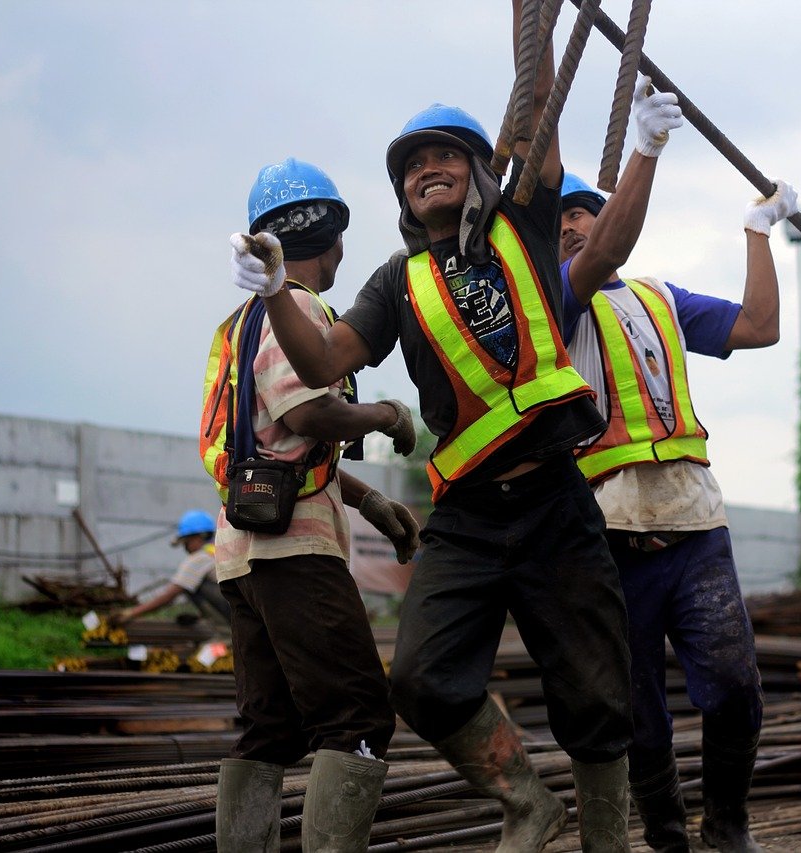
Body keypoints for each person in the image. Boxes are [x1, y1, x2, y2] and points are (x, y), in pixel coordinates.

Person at [228, 6, 634, 850]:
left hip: (556, 501)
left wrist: (537, 22)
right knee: (420, 677)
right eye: (413, 166)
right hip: (471, 518)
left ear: (480, 169)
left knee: (597, 695)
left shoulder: (524, 215)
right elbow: (321, 358)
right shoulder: (392, 280)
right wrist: (272, 288)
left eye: (446, 155)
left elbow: (538, 111)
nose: (428, 171)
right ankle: (526, 800)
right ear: (402, 193)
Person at [555, 97, 797, 851]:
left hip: (694, 520)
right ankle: (666, 832)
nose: (570, 232)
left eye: (582, 221)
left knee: (732, 683)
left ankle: (727, 819)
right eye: (556, 230)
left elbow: (760, 326)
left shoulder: (659, 298)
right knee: (635, 705)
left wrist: (757, 235)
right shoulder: (554, 302)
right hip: (611, 530)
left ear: (612, 219)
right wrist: (648, 149)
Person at [211, 157, 422, 853]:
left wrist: (366, 501)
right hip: (293, 554)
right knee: (359, 715)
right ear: (333, 236)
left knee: (266, 729)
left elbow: (270, 444)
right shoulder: (298, 309)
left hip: (242, 554)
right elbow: (308, 416)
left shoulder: (238, 326)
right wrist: (386, 412)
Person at [112, 509, 231, 628]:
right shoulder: (218, 551)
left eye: (186, 543)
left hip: (230, 616)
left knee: (190, 586)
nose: (185, 548)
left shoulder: (199, 558)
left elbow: (169, 595)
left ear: (199, 537)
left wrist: (130, 613)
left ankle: (224, 632)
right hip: (240, 610)